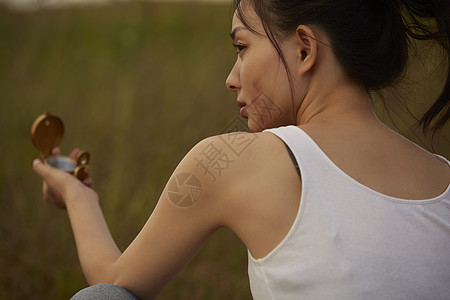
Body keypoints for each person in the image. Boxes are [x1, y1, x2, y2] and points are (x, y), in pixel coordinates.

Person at [33, 0, 450, 299]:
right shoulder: (443, 174)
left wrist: (76, 195)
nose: (231, 78)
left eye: (241, 47)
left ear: (305, 49)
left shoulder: (232, 162)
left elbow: (113, 279)